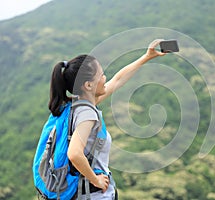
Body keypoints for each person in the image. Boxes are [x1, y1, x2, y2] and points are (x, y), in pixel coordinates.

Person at [48, 39, 166, 199]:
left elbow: (117, 80)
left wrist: (146, 57)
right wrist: (95, 179)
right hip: (94, 194)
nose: (105, 78)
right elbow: (74, 153)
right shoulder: (86, 114)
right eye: (101, 75)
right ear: (88, 85)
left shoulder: (76, 105)